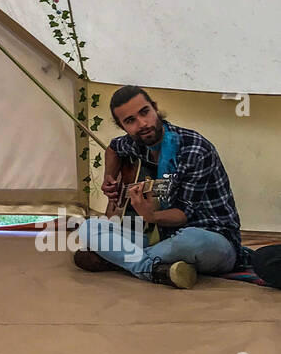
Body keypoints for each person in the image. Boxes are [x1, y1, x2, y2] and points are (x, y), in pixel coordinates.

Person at [74, 85, 243, 288]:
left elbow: (183, 214)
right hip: (161, 239)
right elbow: (112, 148)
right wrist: (109, 177)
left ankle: (123, 260)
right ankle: (154, 269)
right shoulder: (136, 143)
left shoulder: (195, 149)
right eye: (130, 121)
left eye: (145, 112)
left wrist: (151, 216)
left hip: (212, 240)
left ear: (155, 108)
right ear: (123, 127)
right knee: (90, 227)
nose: (142, 124)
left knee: (190, 239)